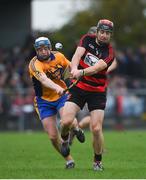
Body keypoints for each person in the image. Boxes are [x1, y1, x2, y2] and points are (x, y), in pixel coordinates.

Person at [60, 19, 115, 171]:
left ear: (110, 35)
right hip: (79, 88)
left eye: (108, 33)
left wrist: (81, 72)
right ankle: (65, 141)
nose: (104, 35)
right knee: (65, 122)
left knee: (96, 128)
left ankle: (97, 162)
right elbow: (77, 55)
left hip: (97, 92)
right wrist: (74, 69)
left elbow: (97, 67)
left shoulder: (110, 52)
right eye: (102, 32)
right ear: (97, 31)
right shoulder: (86, 39)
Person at [28, 37, 84, 169]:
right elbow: (44, 80)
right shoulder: (34, 65)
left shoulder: (59, 56)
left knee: (67, 121)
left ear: (50, 48)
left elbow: (71, 66)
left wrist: (78, 73)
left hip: (61, 96)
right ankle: (69, 160)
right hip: (43, 101)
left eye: (45, 48)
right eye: (39, 49)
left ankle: (75, 129)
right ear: (36, 50)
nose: (43, 51)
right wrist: (56, 87)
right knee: (53, 136)